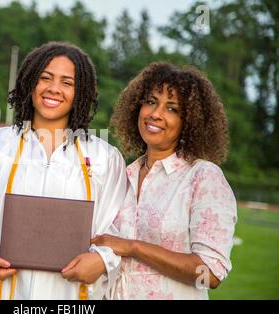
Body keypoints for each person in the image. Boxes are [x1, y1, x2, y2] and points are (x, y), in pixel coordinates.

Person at [0, 41, 127, 300]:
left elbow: (116, 231)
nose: (54, 88)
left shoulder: (105, 158)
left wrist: (101, 261)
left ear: (80, 93)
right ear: (30, 82)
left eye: (67, 83)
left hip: (67, 293)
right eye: (45, 78)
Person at [92, 62, 237, 300]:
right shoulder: (121, 175)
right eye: (150, 102)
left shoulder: (203, 177)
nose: (156, 114)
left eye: (172, 109)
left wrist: (132, 247)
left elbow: (209, 273)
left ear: (189, 121)